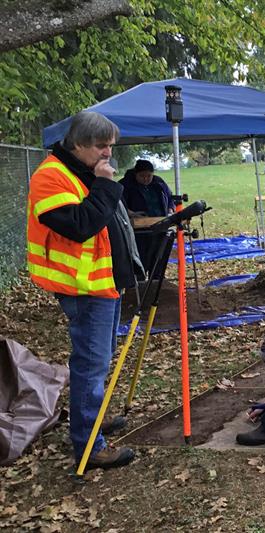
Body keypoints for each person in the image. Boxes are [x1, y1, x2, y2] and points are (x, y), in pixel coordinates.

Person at [26, 111, 143, 470]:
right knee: (90, 366)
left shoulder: (82, 170)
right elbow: (79, 226)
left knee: (100, 358)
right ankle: (89, 444)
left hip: (103, 284)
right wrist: (107, 185)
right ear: (77, 144)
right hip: (83, 288)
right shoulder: (50, 177)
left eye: (111, 145)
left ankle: (91, 420)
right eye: (100, 146)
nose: (108, 153)